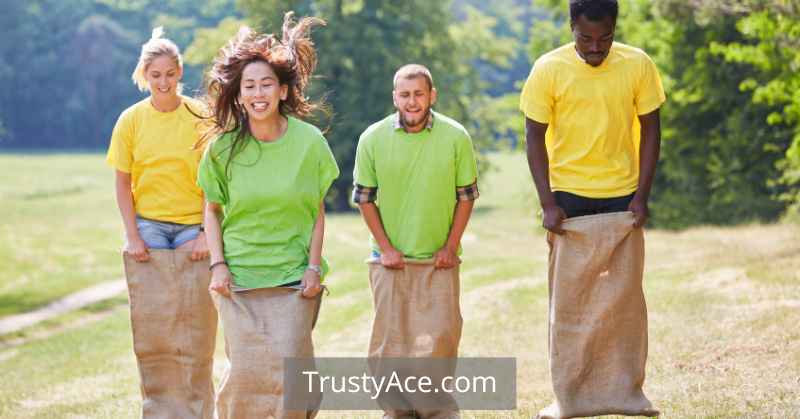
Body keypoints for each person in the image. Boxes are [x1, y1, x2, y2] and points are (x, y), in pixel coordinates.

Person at [520, 1, 665, 418]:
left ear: (615, 28)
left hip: (622, 196)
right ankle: (571, 397)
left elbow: (652, 129)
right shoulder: (548, 69)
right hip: (569, 198)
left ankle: (625, 395)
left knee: (624, 303)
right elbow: (533, 136)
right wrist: (547, 202)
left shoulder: (638, 64)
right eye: (585, 38)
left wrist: (642, 194)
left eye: (605, 39)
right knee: (571, 304)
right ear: (572, 27)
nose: (595, 48)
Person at [197, 12, 338, 419]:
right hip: (239, 279)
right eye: (249, 86)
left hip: (293, 277)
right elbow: (212, 209)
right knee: (247, 372)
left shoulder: (309, 143)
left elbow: (316, 211)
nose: (258, 93)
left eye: (266, 84)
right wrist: (217, 265)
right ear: (238, 95)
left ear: (281, 90)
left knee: (291, 369)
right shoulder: (223, 150)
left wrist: (313, 268)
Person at [353, 64, 479, 419]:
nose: (412, 101)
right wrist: (387, 249)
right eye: (405, 94)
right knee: (391, 345)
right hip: (389, 260)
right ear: (395, 97)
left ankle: (437, 412)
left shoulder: (456, 137)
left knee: (439, 339)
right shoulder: (372, 139)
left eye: (419, 94)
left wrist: (450, 247)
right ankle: (397, 412)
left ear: (432, 95)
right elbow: (364, 198)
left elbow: (466, 195)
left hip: (439, 260)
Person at [106, 28, 217, 419]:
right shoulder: (131, 120)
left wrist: (206, 232)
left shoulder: (200, 115)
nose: (164, 82)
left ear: (179, 72)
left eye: (170, 73)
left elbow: (212, 181)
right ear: (144, 76)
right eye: (156, 75)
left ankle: (198, 409)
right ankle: (160, 411)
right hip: (149, 227)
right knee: (156, 327)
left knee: (194, 324)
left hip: (192, 228)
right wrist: (133, 235)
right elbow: (122, 182)